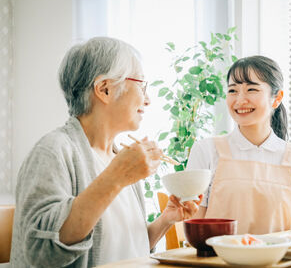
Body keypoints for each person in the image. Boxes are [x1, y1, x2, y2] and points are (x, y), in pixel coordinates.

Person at [10, 37, 202, 267]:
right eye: (141, 85)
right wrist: (117, 176)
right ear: (104, 89)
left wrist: (165, 220)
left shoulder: (118, 157)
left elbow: (127, 249)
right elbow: (42, 253)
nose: (148, 99)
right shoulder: (53, 151)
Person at [187, 56, 291, 234]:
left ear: (277, 98)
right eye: (233, 91)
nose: (240, 100)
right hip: (216, 259)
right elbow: (195, 226)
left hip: (278, 260)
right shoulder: (206, 150)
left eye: (251, 89)